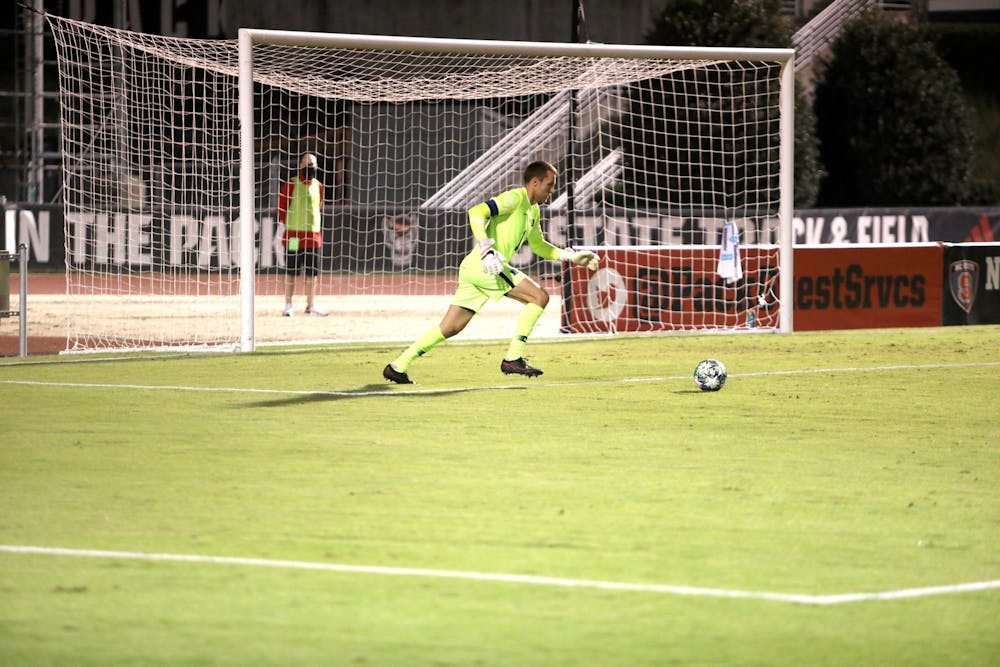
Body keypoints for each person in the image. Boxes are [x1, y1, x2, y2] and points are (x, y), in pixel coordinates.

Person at [383, 160, 600, 384]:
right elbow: (476, 211)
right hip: (486, 266)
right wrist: (487, 248)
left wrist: (570, 256)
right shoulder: (514, 198)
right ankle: (513, 358)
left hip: (475, 268)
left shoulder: (533, 210)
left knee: (450, 327)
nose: (552, 191)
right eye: (550, 184)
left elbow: (538, 245)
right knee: (539, 297)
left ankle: (397, 366)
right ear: (535, 182)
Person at [276, 152, 327, 316]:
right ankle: (288, 305)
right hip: (294, 237)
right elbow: (281, 209)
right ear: (300, 166)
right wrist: (291, 225)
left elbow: (318, 207)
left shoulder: (319, 186)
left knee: (312, 273)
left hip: (313, 237)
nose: (310, 168)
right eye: (307, 164)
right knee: (291, 271)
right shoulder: (290, 185)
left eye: (313, 165)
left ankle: (310, 305)